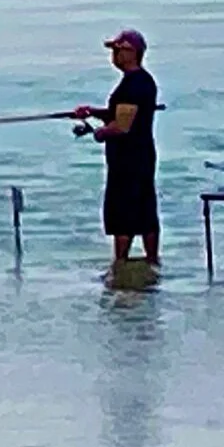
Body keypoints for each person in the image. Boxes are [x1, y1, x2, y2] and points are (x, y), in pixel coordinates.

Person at [73, 29, 159, 268]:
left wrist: (98, 132)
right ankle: (151, 264)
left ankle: (120, 266)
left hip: (128, 160)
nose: (113, 55)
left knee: (124, 212)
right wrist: (93, 112)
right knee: (144, 209)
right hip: (141, 155)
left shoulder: (134, 84)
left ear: (131, 52)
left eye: (117, 50)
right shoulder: (140, 81)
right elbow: (122, 113)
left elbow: (121, 127)